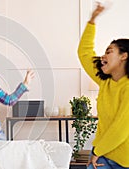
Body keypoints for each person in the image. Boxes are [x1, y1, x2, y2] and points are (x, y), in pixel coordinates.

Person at [78, 3, 129, 169]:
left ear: (124, 56)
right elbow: (85, 53)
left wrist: (97, 150)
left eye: (109, 51)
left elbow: (121, 128)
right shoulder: (105, 81)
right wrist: (92, 20)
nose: (103, 56)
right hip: (103, 155)